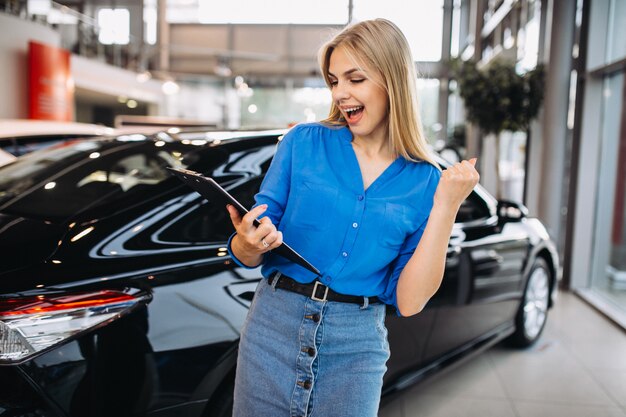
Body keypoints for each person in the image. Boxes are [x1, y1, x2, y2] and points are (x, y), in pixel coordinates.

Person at [226, 18, 479, 417]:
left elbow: (410, 302)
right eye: (333, 80)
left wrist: (446, 206)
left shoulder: (427, 180)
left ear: (391, 81)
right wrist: (247, 241)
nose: (341, 93)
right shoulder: (302, 143)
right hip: (273, 329)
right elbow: (248, 247)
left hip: (356, 346)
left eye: (355, 79)